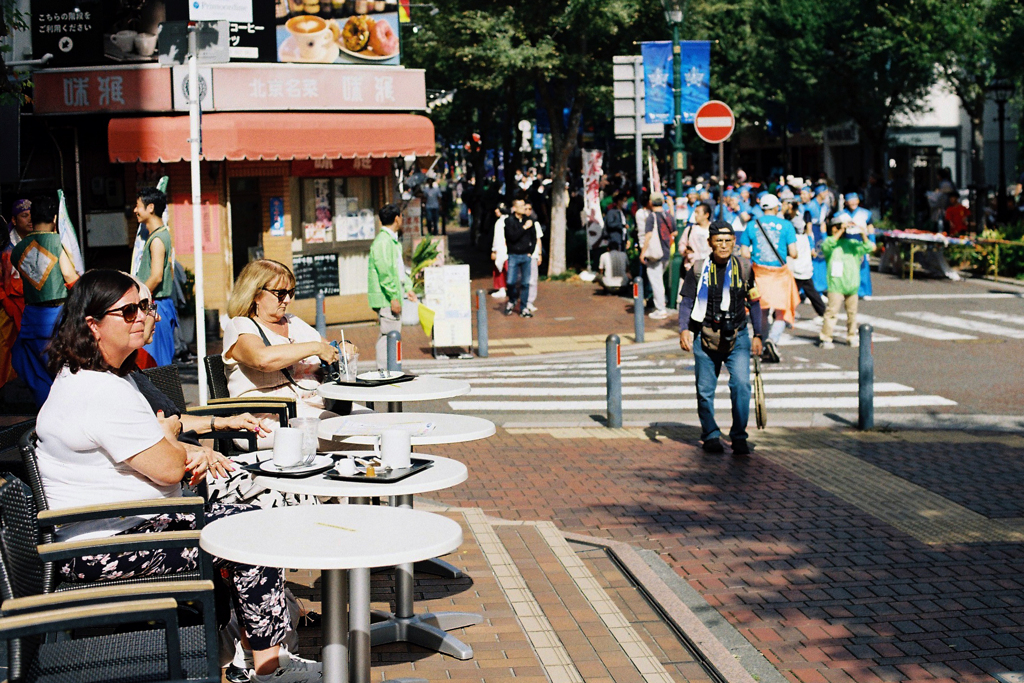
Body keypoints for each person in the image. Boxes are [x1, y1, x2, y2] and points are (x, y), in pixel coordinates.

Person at [36, 269, 321, 683]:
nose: (142, 317)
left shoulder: (97, 380)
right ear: (92, 325)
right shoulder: (99, 392)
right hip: (105, 548)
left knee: (245, 519)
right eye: (128, 310)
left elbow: (165, 456)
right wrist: (170, 440)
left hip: (123, 530)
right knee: (248, 532)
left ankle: (256, 654)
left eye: (144, 307)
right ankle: (267, 666)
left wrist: (170, 439)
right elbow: (171, 468)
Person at [224, 259, 351, 447]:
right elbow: (262, 359)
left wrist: (342, 348)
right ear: (255, 294)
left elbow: (328, 350)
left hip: (313, 406)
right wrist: (315, 347)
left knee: (375, 423)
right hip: (267, 419)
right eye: (280, 293)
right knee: (352, 435)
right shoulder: (241, 325)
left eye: (290, 292)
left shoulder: (292, 321)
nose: (288, 300)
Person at [678, 221, 763, 455]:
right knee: (705, 390)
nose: (723, 245)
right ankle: (711, 434)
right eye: (718, 241)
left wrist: (759, 334)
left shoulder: (745, 268)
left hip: (738, 335)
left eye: (728, 240)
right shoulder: (697, 269)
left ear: (734, 242)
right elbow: (686, 302)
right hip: (704, 334)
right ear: (710, 243)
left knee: (742, 385)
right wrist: (684, 328)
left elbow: (755, 302)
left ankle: (738, 436)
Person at [10, 194, 80, 406]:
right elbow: (70, 277)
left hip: (31, 318)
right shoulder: (56, 242)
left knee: (38, 375)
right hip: (56, 317)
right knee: (63, 374)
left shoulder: (17, 250)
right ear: (55, 218)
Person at [739, 194, 799, 363]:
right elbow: (793, 252)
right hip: (780, 273)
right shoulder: (786, 225)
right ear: (777, 207)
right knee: (782, 310)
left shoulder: (752, 225)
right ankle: (772, 339)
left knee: (761, 310)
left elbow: (744, 253)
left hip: (759, 273)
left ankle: (763, 342)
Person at [132, 186, 177, 366]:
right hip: (158, 306)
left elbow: (156, 276)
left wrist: (137, 298)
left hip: (156, 307)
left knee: (157, 366)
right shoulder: (159, 235)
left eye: (138, 206)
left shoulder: (157, 240)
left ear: (150, 208)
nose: (135, 210)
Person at [368, 204, 417, 366]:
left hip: (389, 297)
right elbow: (385, 273)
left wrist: (408, 288)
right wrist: (394, 298)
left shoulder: (390, 241)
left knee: (389, 335)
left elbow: (399, 270)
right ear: (397, 218)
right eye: (401, 216)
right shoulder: (384, 242)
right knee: (389, 335)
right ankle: (385, 371)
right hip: (387, 299)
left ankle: (388, 370)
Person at [819, 216, 876, 349]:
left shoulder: (853, 244)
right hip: (835, 285)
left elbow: (870, 248)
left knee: (852, 314)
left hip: (852, 285)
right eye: (838, 227)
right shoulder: (831, 243)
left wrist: (863, 233)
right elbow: (826, 246)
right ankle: (826, 337)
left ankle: (851, 336)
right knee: (831, 313)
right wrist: (840, 231)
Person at [1, 198, 31, 389]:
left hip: (25, 310)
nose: (29, 219)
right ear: (14, 219)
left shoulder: (35, 240)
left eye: (31, 215)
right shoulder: (6, 247)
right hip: (9, 310)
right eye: (24, 215)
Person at [640, 192, 675, 320]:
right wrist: (671, 207)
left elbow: (648, 236)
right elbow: (674, 231)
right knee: (659, 280)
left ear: (651, 202)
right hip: (666, 252)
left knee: (656, 282)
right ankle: (661, 305)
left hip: (655, 254)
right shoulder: (668, 216)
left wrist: (643, 252)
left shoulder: (651, 217)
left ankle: (661, 309)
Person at [503, 197, 536, 318]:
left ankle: (523, 307)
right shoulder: (509, 221)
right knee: (510, 281)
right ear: (515, 208)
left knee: (525, 283)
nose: (524, 208)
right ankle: (512, 299)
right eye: (521, 206)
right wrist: (524, 228)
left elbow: (534, 237)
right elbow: (511, 237)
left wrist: (530, 251)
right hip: (513, 255)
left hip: (525, 255)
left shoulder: (529, 220)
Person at [840, 192, 876, 298]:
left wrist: (872, 241)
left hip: (861, 241)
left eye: (855, 199)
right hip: (846, 242)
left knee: (863, 266)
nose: (853, 202)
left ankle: (864, 291)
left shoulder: (865, 213)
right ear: (846, 202)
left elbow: (870, 228)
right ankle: (847, 289)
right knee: (847, 267)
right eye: (850, 200)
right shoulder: (841, 214)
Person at [525, 202, 543, 314]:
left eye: (529, 209)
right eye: (525, 208)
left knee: (533, 279)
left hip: (533, 255)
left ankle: (529, 302)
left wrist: (539, 254)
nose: (527, 211)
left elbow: (538, 239)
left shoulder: (535, 224)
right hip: (521, 254)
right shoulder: (518, 223)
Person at [490, 205, 508, 299]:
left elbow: (497, 238)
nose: (495, 210)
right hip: (508, 249)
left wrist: (494, 250)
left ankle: (501, 288)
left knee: (500, 269)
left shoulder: (499, 222)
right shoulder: (509, 220)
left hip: (501, 249)